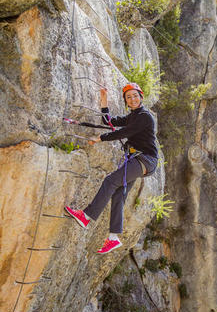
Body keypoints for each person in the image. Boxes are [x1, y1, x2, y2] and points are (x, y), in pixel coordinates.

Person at [65, 83, 159, 254]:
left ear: (141, 96)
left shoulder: (145, 116)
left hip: (145, 159)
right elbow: (108, 122)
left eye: (135, 95)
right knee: (118, 194)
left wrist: (100, 138)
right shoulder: (132, 116)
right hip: (139, 161)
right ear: (126, 101)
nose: (132, 99)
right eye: (129, 97)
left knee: (110, 181)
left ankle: (85, 216)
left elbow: (124, 133)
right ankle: (114, 238)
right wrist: (103, 100)